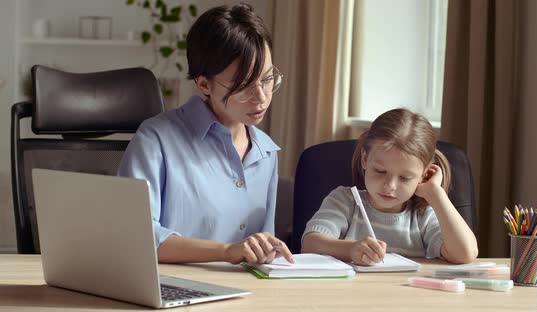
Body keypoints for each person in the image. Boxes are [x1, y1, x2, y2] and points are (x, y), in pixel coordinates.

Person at [118, 3, 294, 265]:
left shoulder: (266, 152)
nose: (261, 97)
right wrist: (226, 251)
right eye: (244, 86)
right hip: (172, 290)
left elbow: (262, 245)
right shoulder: (156, 140)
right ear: (203, 84)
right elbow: (136, 236)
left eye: (267, 79)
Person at [301, 108, 478, 264]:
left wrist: (436, 194)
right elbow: (309, 245)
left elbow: (465, 254)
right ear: (365, 159)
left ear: (424, 175)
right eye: (380, 171)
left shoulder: (422, 215)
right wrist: (351, 250)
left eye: (405, 178)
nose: (390, 186)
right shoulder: (345, 201)